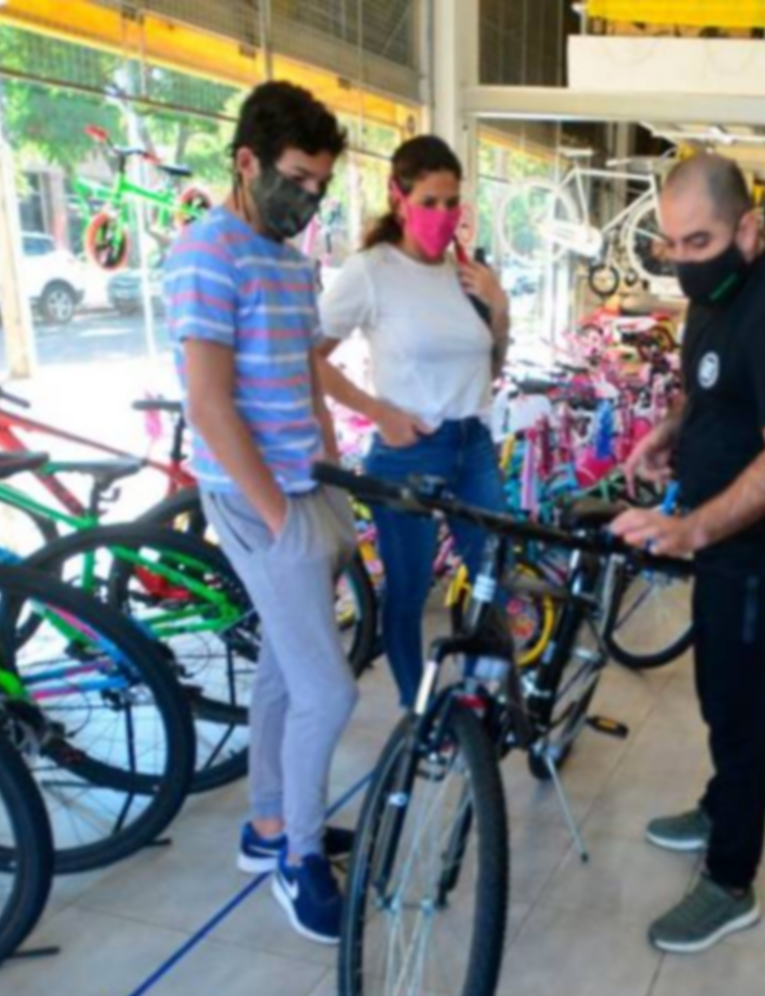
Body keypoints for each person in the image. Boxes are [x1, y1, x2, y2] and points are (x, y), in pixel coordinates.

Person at [611, 153, 765, 954]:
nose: (684, 262)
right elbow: (704, 390)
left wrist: (691, 528)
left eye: (699, 241)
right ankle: (718, 801)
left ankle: (730, 877)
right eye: (671, 244)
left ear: (748, 227)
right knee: (718, 694)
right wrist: (666, 436)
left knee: (751, 715)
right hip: (723, 547)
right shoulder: (716, 296)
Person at [165, 82, 357, 944]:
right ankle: (299, 860)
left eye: (320, 187)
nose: (308, 200)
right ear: (245, 162)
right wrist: (279, 515)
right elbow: (208, 405)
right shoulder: (208, 251)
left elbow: (300, 375)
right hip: (254, 499)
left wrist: (330, 467)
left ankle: (269, 825)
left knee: (287, 671)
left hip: (304, 484)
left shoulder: (290, 258)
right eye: (296, 180)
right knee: (330, 690)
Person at [314, 135, 512, 708]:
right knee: (408, 591)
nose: (443, 215)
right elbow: (306, 354)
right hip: (408, 453)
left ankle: (478, 699)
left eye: (453, 202)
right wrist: (378, 411)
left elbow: (491, 367)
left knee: (492, 572)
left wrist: (498, 309)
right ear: (398, 198)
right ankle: (417, 710)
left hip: (474, 445)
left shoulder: (468, 274)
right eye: (429, 201)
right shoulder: (372, 271)